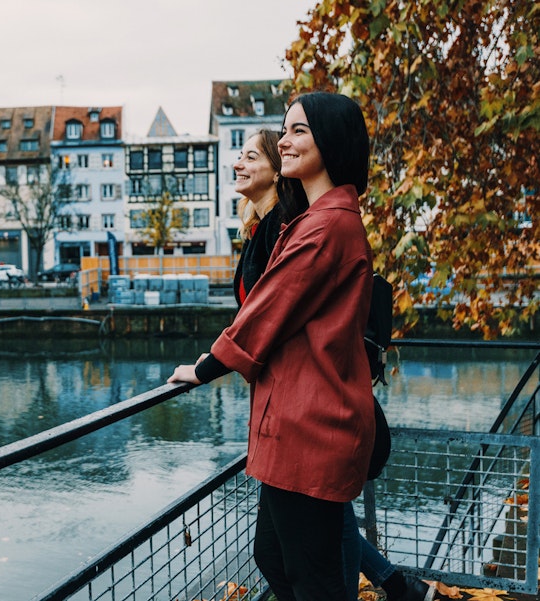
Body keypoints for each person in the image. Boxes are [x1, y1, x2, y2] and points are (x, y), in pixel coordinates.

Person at [169, 92, 375, 600]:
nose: (285, 140)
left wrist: (206, 367)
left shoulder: (327, 226)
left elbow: (268, 307)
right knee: (276, 557)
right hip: (297, 424)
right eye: (285, 130)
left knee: (313, 579)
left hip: (310, 427)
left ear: (331, 141)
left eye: (299, 131)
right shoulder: (317, 219)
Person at [229, 127, 432, 601]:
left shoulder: (296, 228)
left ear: (278, 171)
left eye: (251, 156)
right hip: (290, 403)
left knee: (310, 547)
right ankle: (400, 586)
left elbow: (273, 313)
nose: (239, 164)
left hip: (306, 406)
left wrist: (215, 362)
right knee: (298, 541)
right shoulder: (267, 231)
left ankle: (399, 586)